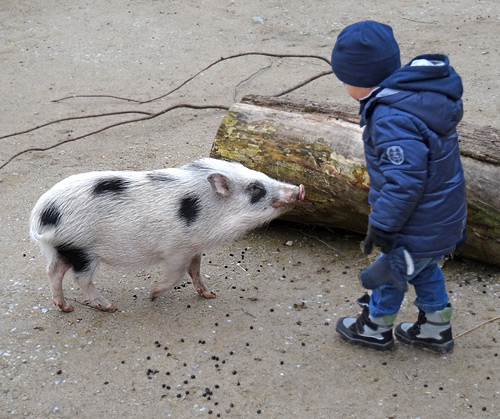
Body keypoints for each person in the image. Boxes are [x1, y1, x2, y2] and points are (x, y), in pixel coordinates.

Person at [330, 20, 467, 353]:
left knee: (391, 272)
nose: (345, 86)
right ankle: (436, 327)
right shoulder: (413, 98)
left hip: (415, 222)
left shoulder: (391, 118)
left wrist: (383, 225)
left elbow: (404, 181)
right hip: (440, 216)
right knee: (423, 268)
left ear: (362, 80)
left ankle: (375, 327)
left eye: (346, 79)